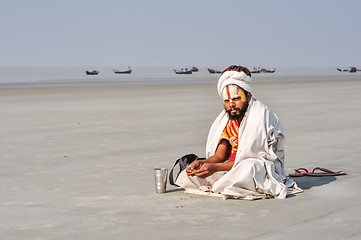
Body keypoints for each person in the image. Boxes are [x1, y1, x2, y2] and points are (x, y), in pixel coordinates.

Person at [175, 65, 301, 200]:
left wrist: (215, 167)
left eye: (236, 99)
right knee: (188, 174)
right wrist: (204, 164)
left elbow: (252, 158)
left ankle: (226, 182)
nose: (231, 105)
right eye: (227, 101)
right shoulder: (227, 120)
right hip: (228, 167)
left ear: (248, 96)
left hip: (261, 167)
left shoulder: (259, 116)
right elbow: (219, 155)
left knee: (248, 168)